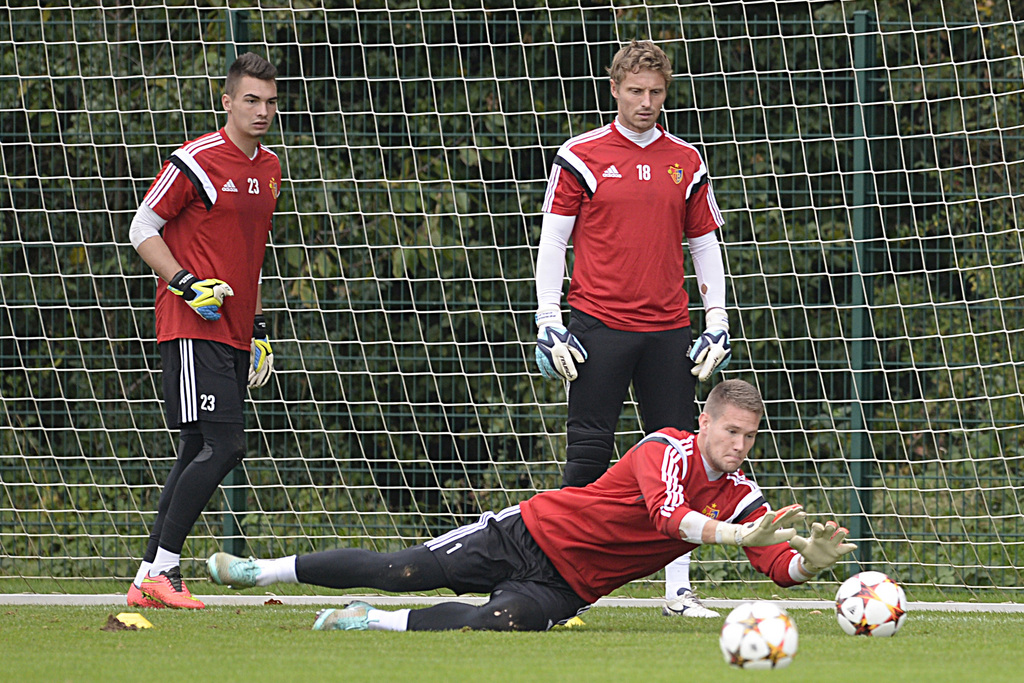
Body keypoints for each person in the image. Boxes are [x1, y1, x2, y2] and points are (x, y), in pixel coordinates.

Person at [207, 380, 855, 631]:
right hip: (531, 534)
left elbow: (774, 560)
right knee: (398, 567)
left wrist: (809, 566)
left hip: (570, 586)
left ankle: (368, 621)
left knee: (498, 621)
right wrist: (735, 539)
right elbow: (668, 517)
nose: (738, 445)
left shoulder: (743, 494)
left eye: (749, 435)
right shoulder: (666, 447)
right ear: (704, 421)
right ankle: (260, 571)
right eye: (730, 430)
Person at [533, 40, 732, 617]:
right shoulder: (580, 155)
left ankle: (677, 593)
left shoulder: (687, 160)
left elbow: (704, 244)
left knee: (681, 460)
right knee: (588, 456)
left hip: (670, 329)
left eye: (657, 92)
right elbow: (554, 242)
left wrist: (716, 320)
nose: (647, 102)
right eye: (636, 91)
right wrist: (549, 318)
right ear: (614, 89)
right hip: (597, 325)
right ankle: (561, 587)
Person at [125, 53, 281, 609]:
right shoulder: (196, 160)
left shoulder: (270, 168)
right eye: (250, 100)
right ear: (227, 101)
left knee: (198, 444)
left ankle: (149, 575)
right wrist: (185, 283)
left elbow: (250, 257)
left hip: (237, 331)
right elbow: (142, 227)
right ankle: (165, 571)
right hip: (193, 324)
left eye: (269, 101)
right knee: (225, 444)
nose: (261, 111)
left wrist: (258, 326)